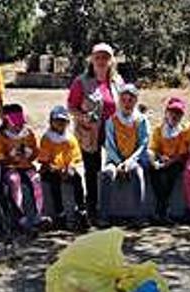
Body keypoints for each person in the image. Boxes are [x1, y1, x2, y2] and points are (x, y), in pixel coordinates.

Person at [67, 42, 124, 220]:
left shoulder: (117, 81)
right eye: (97, 57)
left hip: (113, 132)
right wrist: (83, 117)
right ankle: (92, 209)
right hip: (89, 132)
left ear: (111, 61)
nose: (101, 61)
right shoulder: (81, 82)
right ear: (91, 59)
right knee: (92, 171)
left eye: (105, 57)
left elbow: (124, 103)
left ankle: (110, 207)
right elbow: (71, 106)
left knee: (113, 167)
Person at [0, 103, 47, 230]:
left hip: (26, 166)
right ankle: (21, 216)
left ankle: (39, 215)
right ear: (6, 121)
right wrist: (11, 157)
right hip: (9, 167)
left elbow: (35, 153)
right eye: (14, 123)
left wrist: (29, 154)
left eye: (20, 122)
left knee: (35, 179)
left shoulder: (28, 134)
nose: (18, 126)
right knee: (14, 180)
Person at [101, 83, 150, 225]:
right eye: (124, 100)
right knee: (107, 174)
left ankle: (139, 215)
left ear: (136, 101)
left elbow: (143, 144)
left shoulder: (141, 120)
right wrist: (119, 163)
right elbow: (109, 145)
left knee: (138, 173)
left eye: (131, 100)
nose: (127, 103)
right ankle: (104, 215)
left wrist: (129, 162)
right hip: (114, 159)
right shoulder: (111, 121)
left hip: (134, 160)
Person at [38, 105, 86, 230]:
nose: (60, 124)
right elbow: (44, 161)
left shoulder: (71, 139)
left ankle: (80, 208)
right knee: (53, 182)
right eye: (57, 121)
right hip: (51, 169)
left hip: (66, 168)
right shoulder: (47, 138)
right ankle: (59, 213)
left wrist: (70, 168)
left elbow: (75, 158)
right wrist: (56, 169)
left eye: (63, 121)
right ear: (51, 122)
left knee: (77, 179)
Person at [149, 96, 189, 224]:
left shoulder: (183, 132)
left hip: (176, 162)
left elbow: (182, 154)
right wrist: (159, 159)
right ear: (166, 113)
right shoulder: (158, 130)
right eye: (172, 112)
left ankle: (161, 209)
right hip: (163, 160)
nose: (174, 116)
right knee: (154, 172)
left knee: (171, 174)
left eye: (178, 113)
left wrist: (169, 162)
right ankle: (162, 208)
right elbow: (154, 148)